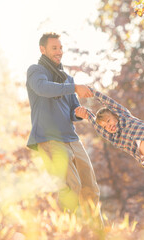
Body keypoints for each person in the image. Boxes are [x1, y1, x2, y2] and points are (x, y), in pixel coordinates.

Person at [26, 32, 103, 225]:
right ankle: (64, 232)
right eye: (54, 48)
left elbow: (72, 111)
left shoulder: (68, 79)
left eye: (60, 48)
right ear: (42, 49)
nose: (59, 52)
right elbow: (44, 89)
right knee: (71, 187)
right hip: (49, 139)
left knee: (91, 189)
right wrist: (74, 87)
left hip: (71, 139)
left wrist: (80, 113)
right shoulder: (36, 71)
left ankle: (97, 235)